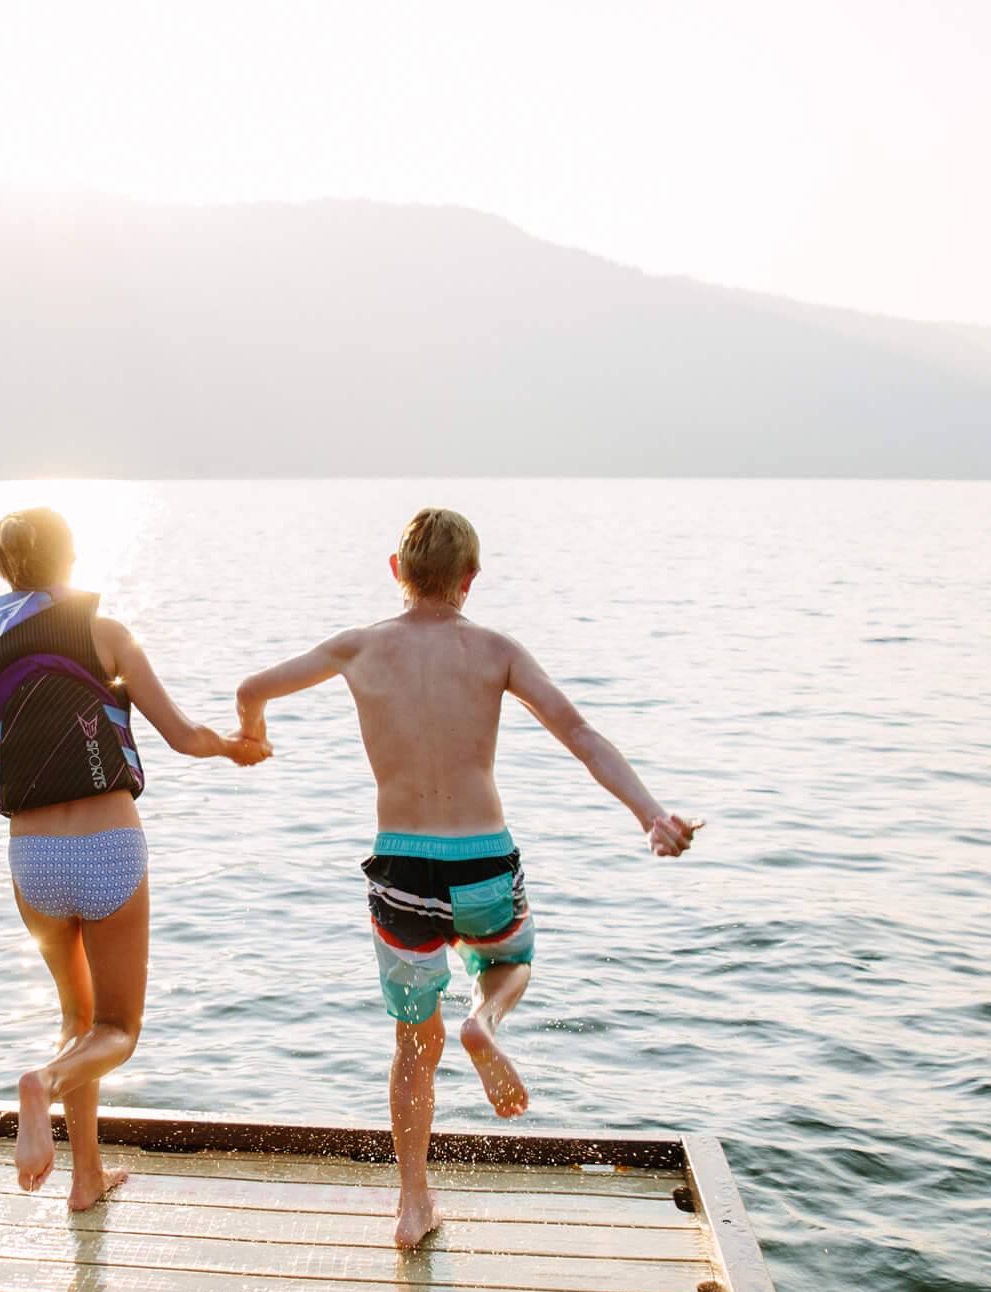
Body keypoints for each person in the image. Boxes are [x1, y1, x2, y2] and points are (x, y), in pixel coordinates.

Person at [234, 507, 702, 1246]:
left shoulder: (357, 648)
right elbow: (579, 734)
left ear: (396, 572)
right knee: (508, 961)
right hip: (483, 859)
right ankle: (485, 1023)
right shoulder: (496, 650)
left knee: (412, 1046)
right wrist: (649, 812)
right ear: (469, 581)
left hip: (400, 870)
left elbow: (252, 684)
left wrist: (252, 732)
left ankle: (413, 1205)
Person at [0, 508, 267, 1210]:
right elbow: (181, 735)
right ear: (72, 559)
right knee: (117, 1028)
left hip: (33, 863)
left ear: (1, 569)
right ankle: (45, 1084)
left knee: (75, 1021)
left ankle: (86, 1178)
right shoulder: (105, 633)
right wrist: (234, 746)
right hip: (110, 850)